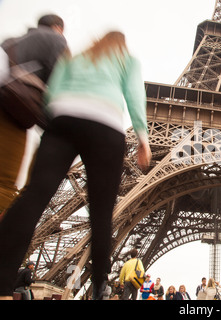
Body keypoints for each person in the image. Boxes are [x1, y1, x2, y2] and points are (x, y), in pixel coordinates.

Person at [0, 30, 151, 300]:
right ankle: (99, 290)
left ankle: (1, 281)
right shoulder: (127, 59)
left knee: (33, 198)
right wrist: (143, 137)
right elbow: (134, 96)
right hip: (104, 125)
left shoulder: (76, 57)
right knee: (102, 215)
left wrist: (54, 130)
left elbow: (52, 94)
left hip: (62, 122)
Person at [0, 14, 68, 217]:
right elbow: (61, 83)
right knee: (5, 184)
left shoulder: (10, 41)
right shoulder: (55, 39)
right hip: (11, 113)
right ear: (59, 28)